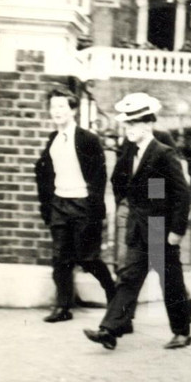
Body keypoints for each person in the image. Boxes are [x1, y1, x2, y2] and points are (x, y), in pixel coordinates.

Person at [83, 93, 191, 351]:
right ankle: (109, 330)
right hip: (138, 227)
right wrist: (130, 203)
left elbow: (181, 194)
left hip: (159, 229)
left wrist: (177, 230)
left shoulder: (163, 153)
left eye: (133, 124)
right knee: (129, 278)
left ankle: (181, 331)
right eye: (127, 124)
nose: (128, 129)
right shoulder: (129, 150)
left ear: (147, 125)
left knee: (170, 283)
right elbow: (119, 181)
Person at [34, 88, 117, 323]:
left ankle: (114, 298)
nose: (57, 111)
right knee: (60, 258)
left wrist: (94, 208)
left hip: (83, 205)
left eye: (62, 106)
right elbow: (45, 173)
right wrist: (48, 205)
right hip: (60, 204)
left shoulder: (87, 139)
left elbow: (99, 177)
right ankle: (62, 307)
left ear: (73, 110)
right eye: (53, 107)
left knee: (88, 258)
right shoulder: (54, 139)